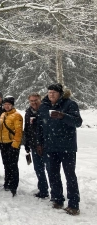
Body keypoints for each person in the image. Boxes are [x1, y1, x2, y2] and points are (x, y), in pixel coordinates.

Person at [37, 84, 82, 215]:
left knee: (70, 175)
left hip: (67, 147)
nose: (51, 94)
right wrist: (39, 143)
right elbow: (40, 126)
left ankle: (74, 204)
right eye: (49, 92)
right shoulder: (44, 106)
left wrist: (63, 116)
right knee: (53, 174)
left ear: (60, 93)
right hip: (50, 147)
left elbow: (78, 122)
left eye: (54, 92)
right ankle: (57, 199)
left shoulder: (70, 104)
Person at [0, 95, 23, 197]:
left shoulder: (17, 116)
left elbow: (19, 132)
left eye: (8, 104)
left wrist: (14, 146)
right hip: (3, 143)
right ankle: (7, 183)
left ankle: (13, 186)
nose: (6, 106)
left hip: (12, 144)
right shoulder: (3, 114)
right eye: (5, 104)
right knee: (6, 164)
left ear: (12, 105)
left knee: (13, 165)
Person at [24, 92, 50, 199]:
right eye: (31, 101)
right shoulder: (28, 112)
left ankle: (56, 193)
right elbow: (26, 129)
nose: (34, 102)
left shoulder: (46, 110)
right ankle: (43, 190)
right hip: (34, 145)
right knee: (38, 169)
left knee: (51, 170)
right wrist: (26, 143)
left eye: (36, 100)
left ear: (40, 99)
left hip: (47, 145)